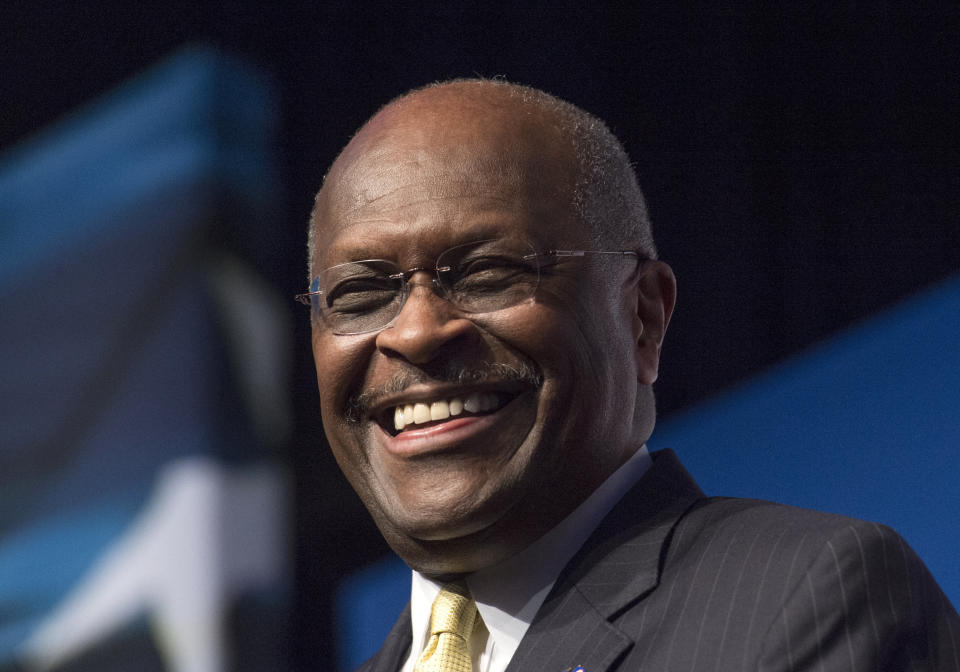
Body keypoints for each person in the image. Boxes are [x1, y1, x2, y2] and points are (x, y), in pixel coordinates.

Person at [301, 79, 960, 671]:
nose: (415, 332)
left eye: (486, 272)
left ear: (642, 317)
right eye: (361, 295)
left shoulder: (814, 597)